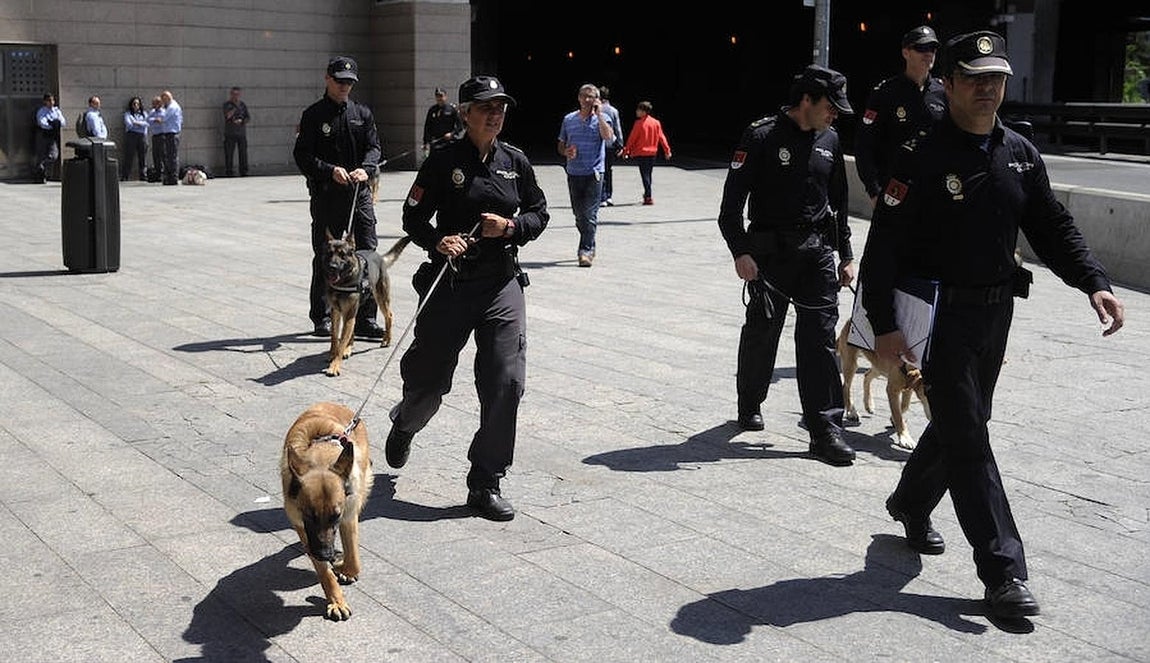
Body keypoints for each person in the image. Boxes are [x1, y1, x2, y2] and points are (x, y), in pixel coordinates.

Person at [858, 31, 1126, 619]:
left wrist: (1094, 282)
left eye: (997, 77)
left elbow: (1051, 226)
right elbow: (883, 248)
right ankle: (1003, 571)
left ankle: (909, 500)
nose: (987, 88)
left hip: (996, 310)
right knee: (971, 437)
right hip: (937, 316)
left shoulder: (1020, 153)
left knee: (965, 421)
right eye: (975, 77)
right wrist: (882, 324)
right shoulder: (920, 155)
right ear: (948, 84)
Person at [386, 75, 549, 521]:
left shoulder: (515, 160)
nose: (495, 114)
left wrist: (513, 228)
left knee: (506, 379)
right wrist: (438, 240)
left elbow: (539, 211)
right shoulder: (442, 160)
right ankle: (405, 422)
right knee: (428, 383)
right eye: (485, 107)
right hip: (451, 283)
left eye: (501, 107)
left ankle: (486, 480)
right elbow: (413, 215)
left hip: (500, 282)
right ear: (464, 113)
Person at [716, 64, 857, 467]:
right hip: (768, 256)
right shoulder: (760, 136)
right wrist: (740, 252)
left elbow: (840, 205)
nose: (835, 115)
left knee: (820, 338)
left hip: (816, 254)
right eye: (830, 106)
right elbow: (730, 208)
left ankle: (825, 429)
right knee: (762, 333)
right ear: (807, 100)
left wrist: (845, 254)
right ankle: (750, 400)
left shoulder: (830, 139)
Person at [293, 56, 386, 340]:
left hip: (359, 195)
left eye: (349, 82)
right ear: (327, 79)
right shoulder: (313, 115)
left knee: (367, 253)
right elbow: (302, 156)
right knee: (326, 254)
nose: (345, 86)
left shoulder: (362, 113)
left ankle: (366, 318)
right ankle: (322, 315)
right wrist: (329, 170)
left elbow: (374, 148)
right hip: (328, 196)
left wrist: (366, 169)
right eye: (340, 80)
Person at [855, 25, 947, 207]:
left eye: (932, 48)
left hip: (934, 193)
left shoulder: (943, 92)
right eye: (921, 48)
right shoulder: (885, 93)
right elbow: (864, 145)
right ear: (906, 52)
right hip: (894, 192)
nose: (928, 54)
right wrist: (874, 190)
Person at [557, 83, 615, 267]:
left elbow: (608, 138)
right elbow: (560, 144)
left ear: (596, 99)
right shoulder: (569, 119)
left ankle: (586, 250)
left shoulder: (603, 118)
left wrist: (599, 114)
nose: (587, 100)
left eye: (591, 96)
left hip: (594, 173)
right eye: (584, 96)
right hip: (574, 172)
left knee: (589, 214)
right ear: (579, 98)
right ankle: (589, 240)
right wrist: (566, 151)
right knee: (579, 214)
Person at [620, 100, 672, 205]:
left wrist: (626, 151)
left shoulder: (639, 123)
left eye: (638, 110)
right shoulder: (656, 123)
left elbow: (632, 138)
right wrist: (667, 151)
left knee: (645, 175)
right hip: (652, 153)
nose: (636, 112)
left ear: (643, 111)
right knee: (648, 174)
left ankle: (648, 196)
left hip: (642, 153)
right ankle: (647, 194)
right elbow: (662, 137)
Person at [598, 84, 624, 206]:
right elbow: (617, 129)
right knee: (608, 170)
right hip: (610, 144)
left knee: (600, 170)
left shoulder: (596, 109)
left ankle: (602, 196)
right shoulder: (613, 110)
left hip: (599, 143)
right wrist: (620, 145)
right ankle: (609, 196)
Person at [421, 87, 461, 157]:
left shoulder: (452, 109)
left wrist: (452, 134)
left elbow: (460, 126)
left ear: (445, 97)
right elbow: (427, 126)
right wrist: (425, 142)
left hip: (448, 141)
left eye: (441, 96)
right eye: (437, 96)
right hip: (436, 141)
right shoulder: (432, 110)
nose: (439, 98)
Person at [153, 90, 183, 185]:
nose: (162, 102)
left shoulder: (172, 107)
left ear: (167, 98)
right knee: (169, 156)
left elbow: (164, 118)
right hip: (169, 134)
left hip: (172, 134)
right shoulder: (170, 106)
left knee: (172, 156)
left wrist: (157, 119)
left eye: (163, 100)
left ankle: (173, 177)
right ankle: (170, 176)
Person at [33, 93, 64, 182]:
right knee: (41, 155)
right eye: (49, 100)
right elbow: (42, 123)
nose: (51, 102)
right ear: (45, 101)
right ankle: (41, 176)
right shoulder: (42, 111)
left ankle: (41, 167)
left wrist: (54, 123)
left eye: (52, 100)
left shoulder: (56, 111)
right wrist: (52, 124)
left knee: (53, 156)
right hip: (44, 135)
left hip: (53, 136)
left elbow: (63, 122)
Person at [222, 86, 250, 177]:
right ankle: (229, 171)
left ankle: (244, 171)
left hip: (241, 133)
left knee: (243, 153)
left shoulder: (243, 105)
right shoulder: (227, 105)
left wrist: (241, 121)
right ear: (230, 95)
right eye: (233, 94)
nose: (235, 96)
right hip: (230, 133)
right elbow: (227, 116)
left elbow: (248, 117)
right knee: (229, 153)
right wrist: (234, 108)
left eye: (237, 94)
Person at [121, 96, 149, 181]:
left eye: (137, 103)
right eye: (134, 104)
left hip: (142, 137)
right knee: (129, 156)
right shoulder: (128, 114)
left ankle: (143, 175)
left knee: (142, 157)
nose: (136, 105)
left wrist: (136, 123)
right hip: (131, 136)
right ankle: (125, 175)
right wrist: (140, 124)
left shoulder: (144, 114)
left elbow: (147, 124)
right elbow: (129, 125)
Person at [146, 96, 165, 182]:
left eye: (155, 103)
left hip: (162, 135)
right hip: (155, 136)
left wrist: (158, 120)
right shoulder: (152, 112)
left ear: (160, 104)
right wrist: (155, 119)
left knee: (163, 155)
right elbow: (147, 120)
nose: (153, 105)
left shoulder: (164, 112)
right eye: (153, 103)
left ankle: (164, 173)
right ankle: (157, 174)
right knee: (155, 155)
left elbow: (164, 121)